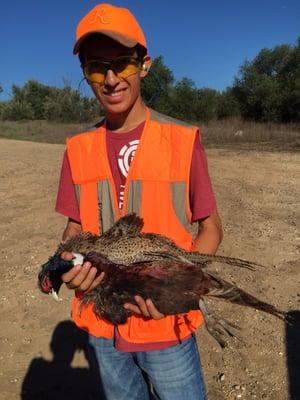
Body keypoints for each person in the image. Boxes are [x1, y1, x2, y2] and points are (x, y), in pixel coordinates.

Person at [55, 4, 223, 399]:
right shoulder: (77, 148)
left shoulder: (182, 140)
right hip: (101, 320)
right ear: (85, 73)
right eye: (97, 67)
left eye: (123, 64)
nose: (111, 79)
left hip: (166, 323)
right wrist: (68, 262)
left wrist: (178, 290)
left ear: (144, 65)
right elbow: (74, 228)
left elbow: (210, 226)